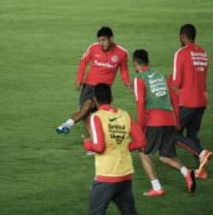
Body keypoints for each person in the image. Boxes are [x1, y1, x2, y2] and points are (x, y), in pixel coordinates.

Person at [133, 49, 197, 197]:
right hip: (169, 119)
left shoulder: (139, 79)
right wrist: (176, 121)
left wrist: (140, 129)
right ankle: (187, 172)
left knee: (143, 152)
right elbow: (175, 98)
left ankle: (157, 187)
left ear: (135, 63)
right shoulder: (161, 75)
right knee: (165, 156)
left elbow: (141, 104)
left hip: (154, 121)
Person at [56, 26, 131, 135]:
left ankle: (68, 124)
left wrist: (126, 82)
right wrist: (79, 78)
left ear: (111, 38)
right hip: (88, 86)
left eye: (104, 40)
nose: (101, 43)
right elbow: (83, 62)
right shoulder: (93, 48)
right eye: (99, 40)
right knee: (86, 114)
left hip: (103, 90)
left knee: (89, 109)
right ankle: (93, 141)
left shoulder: (122, 53)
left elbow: (123, 69)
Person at [82, 83, 144, 215]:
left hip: (107, 176)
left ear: (95, 100)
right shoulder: (125, 115)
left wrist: (87, 144)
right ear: (112, 98)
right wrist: (124, 147)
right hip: (125, 175)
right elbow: (141, 141)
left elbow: (99, 147)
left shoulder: (97, 117)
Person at [170, 24, 213, 179]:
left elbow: (176, 81)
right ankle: (202, 170)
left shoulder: (181, 53)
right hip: (202, 100)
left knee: (172, 134)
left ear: (182, 36)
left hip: (187, 101)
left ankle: (202, 153)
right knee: (193, 135)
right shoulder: (203, 53)